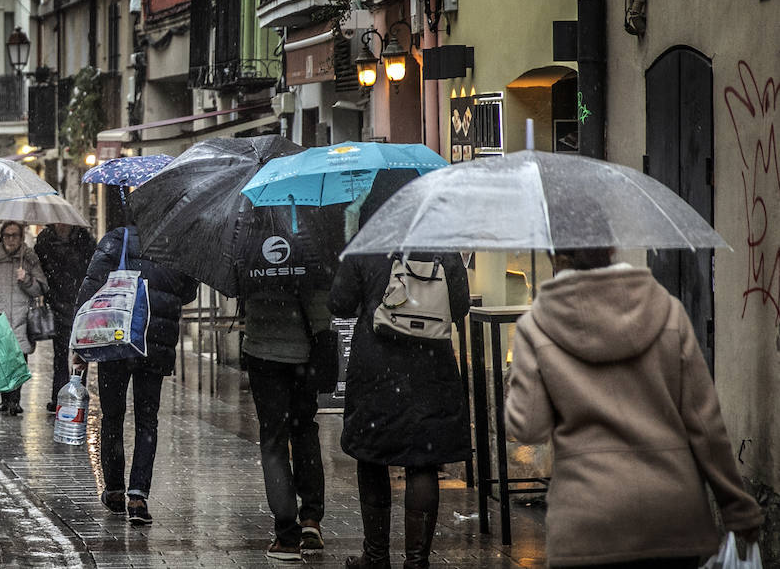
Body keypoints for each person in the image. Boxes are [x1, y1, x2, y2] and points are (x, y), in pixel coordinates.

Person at [505, 242, 762, 568]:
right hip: (670, 519)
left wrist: (525, 372)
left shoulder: (536, 326)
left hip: (587, 523)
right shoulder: (668, 310)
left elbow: (527, 427)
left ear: (555, 257)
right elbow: (705, 424)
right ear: (611, 249)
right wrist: (737, 508)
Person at [328, 169, 471, 569]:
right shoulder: (441, 243)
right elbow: (459, 306)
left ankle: (376, 557)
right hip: (431, 370)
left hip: (376, 368)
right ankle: (416, 561)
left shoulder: (367, 242)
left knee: (372, 457)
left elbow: (339, 302)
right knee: (422, 462)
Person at [74, 218, 196, 526]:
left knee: (112, 416)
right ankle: (138, 496)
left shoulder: (118, 238)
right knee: (147, 420)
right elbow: (187, 292)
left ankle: (114, 489)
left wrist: (77, 343)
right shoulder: (178, 243)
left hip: (117, 336)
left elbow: (91, 285)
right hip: (156, 341)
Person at [239, 243, 338, 561]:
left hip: (263, 351)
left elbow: (240, 288)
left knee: (274, 440)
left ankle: (286, 535)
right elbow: (323, 293)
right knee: (304, 430)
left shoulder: (245, 240)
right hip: (304, 349)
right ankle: (311, 519)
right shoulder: (311, 236)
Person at [0, 220, 47, 415]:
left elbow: (41, 288)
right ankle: (5, 397)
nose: (11, 239)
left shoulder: (28, 258)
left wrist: (26, 279)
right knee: (1, 360)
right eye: (7, 235)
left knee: (19, 360)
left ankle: (15, 400)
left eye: (15, 235)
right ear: (2, 237)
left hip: (22, 317)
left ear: (21, 237)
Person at [34, 222, 97, 413]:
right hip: (56, 302)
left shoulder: (84, 239)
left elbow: (91, 267)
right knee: (60, 354)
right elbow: (40, 268)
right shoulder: (45, 240)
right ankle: (58, 397)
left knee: (80, 354)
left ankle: (77, 394)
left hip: (81, 302)